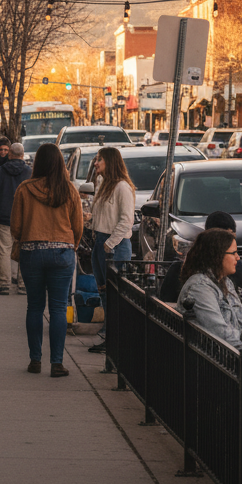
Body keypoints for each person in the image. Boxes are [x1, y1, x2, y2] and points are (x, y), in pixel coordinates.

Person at [11, 143, 83, 377]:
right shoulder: (69, 190)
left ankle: (35, 360)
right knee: (59, 308)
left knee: (34, 307)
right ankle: (57, 363)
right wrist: (70, 245)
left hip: (32, 251)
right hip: (62, 252)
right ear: (61, 163)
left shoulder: (24, 189)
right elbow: (78, 226)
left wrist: (27, 237)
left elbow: (16, 226)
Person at [88, 147, 135, 349]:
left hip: (114, 245)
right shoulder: (102, 183)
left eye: (100, 160)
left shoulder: (122, 187)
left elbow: (127, 220)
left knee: (115, 294)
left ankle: (115, 340)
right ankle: (109, 336)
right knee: (104, 291)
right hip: (100, 241)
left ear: (111, 162)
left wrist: (109, 243)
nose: (96, 163)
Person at [158, 211, 242, 307]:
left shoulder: (233, 274)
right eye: (227, 238)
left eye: (232, 237)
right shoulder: (198, 283)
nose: (232, 243)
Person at [175, 227, 242, 345]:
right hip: (214, 357)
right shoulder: (199, 287)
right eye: (233, 253)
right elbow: (218, 332)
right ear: (217, 256)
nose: (238, 257)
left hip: (234, 351)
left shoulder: (225, 281)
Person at [0, 142, 32, 295]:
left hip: (4, 216)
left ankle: (5, 284)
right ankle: (22, 284)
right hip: (25, 217)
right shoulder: (29, 173)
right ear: (23, 154)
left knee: (4, 251)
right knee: (23, 250)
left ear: (10, 154)